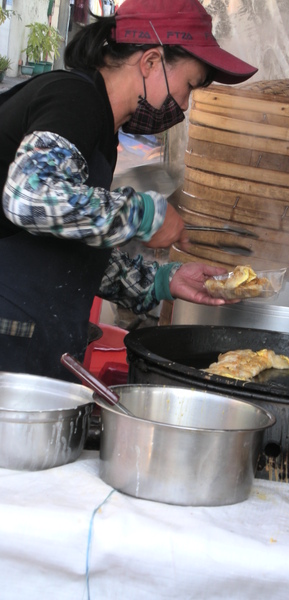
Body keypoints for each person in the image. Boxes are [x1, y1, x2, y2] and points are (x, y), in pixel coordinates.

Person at [0, 0, 257, 381]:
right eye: (188, 86)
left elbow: (62, 247)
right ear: (151, 61)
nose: (183, 106)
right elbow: (29, 197)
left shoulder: (99, 126)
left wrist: (160, 281)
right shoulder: (75, 100)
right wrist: (143, 213)